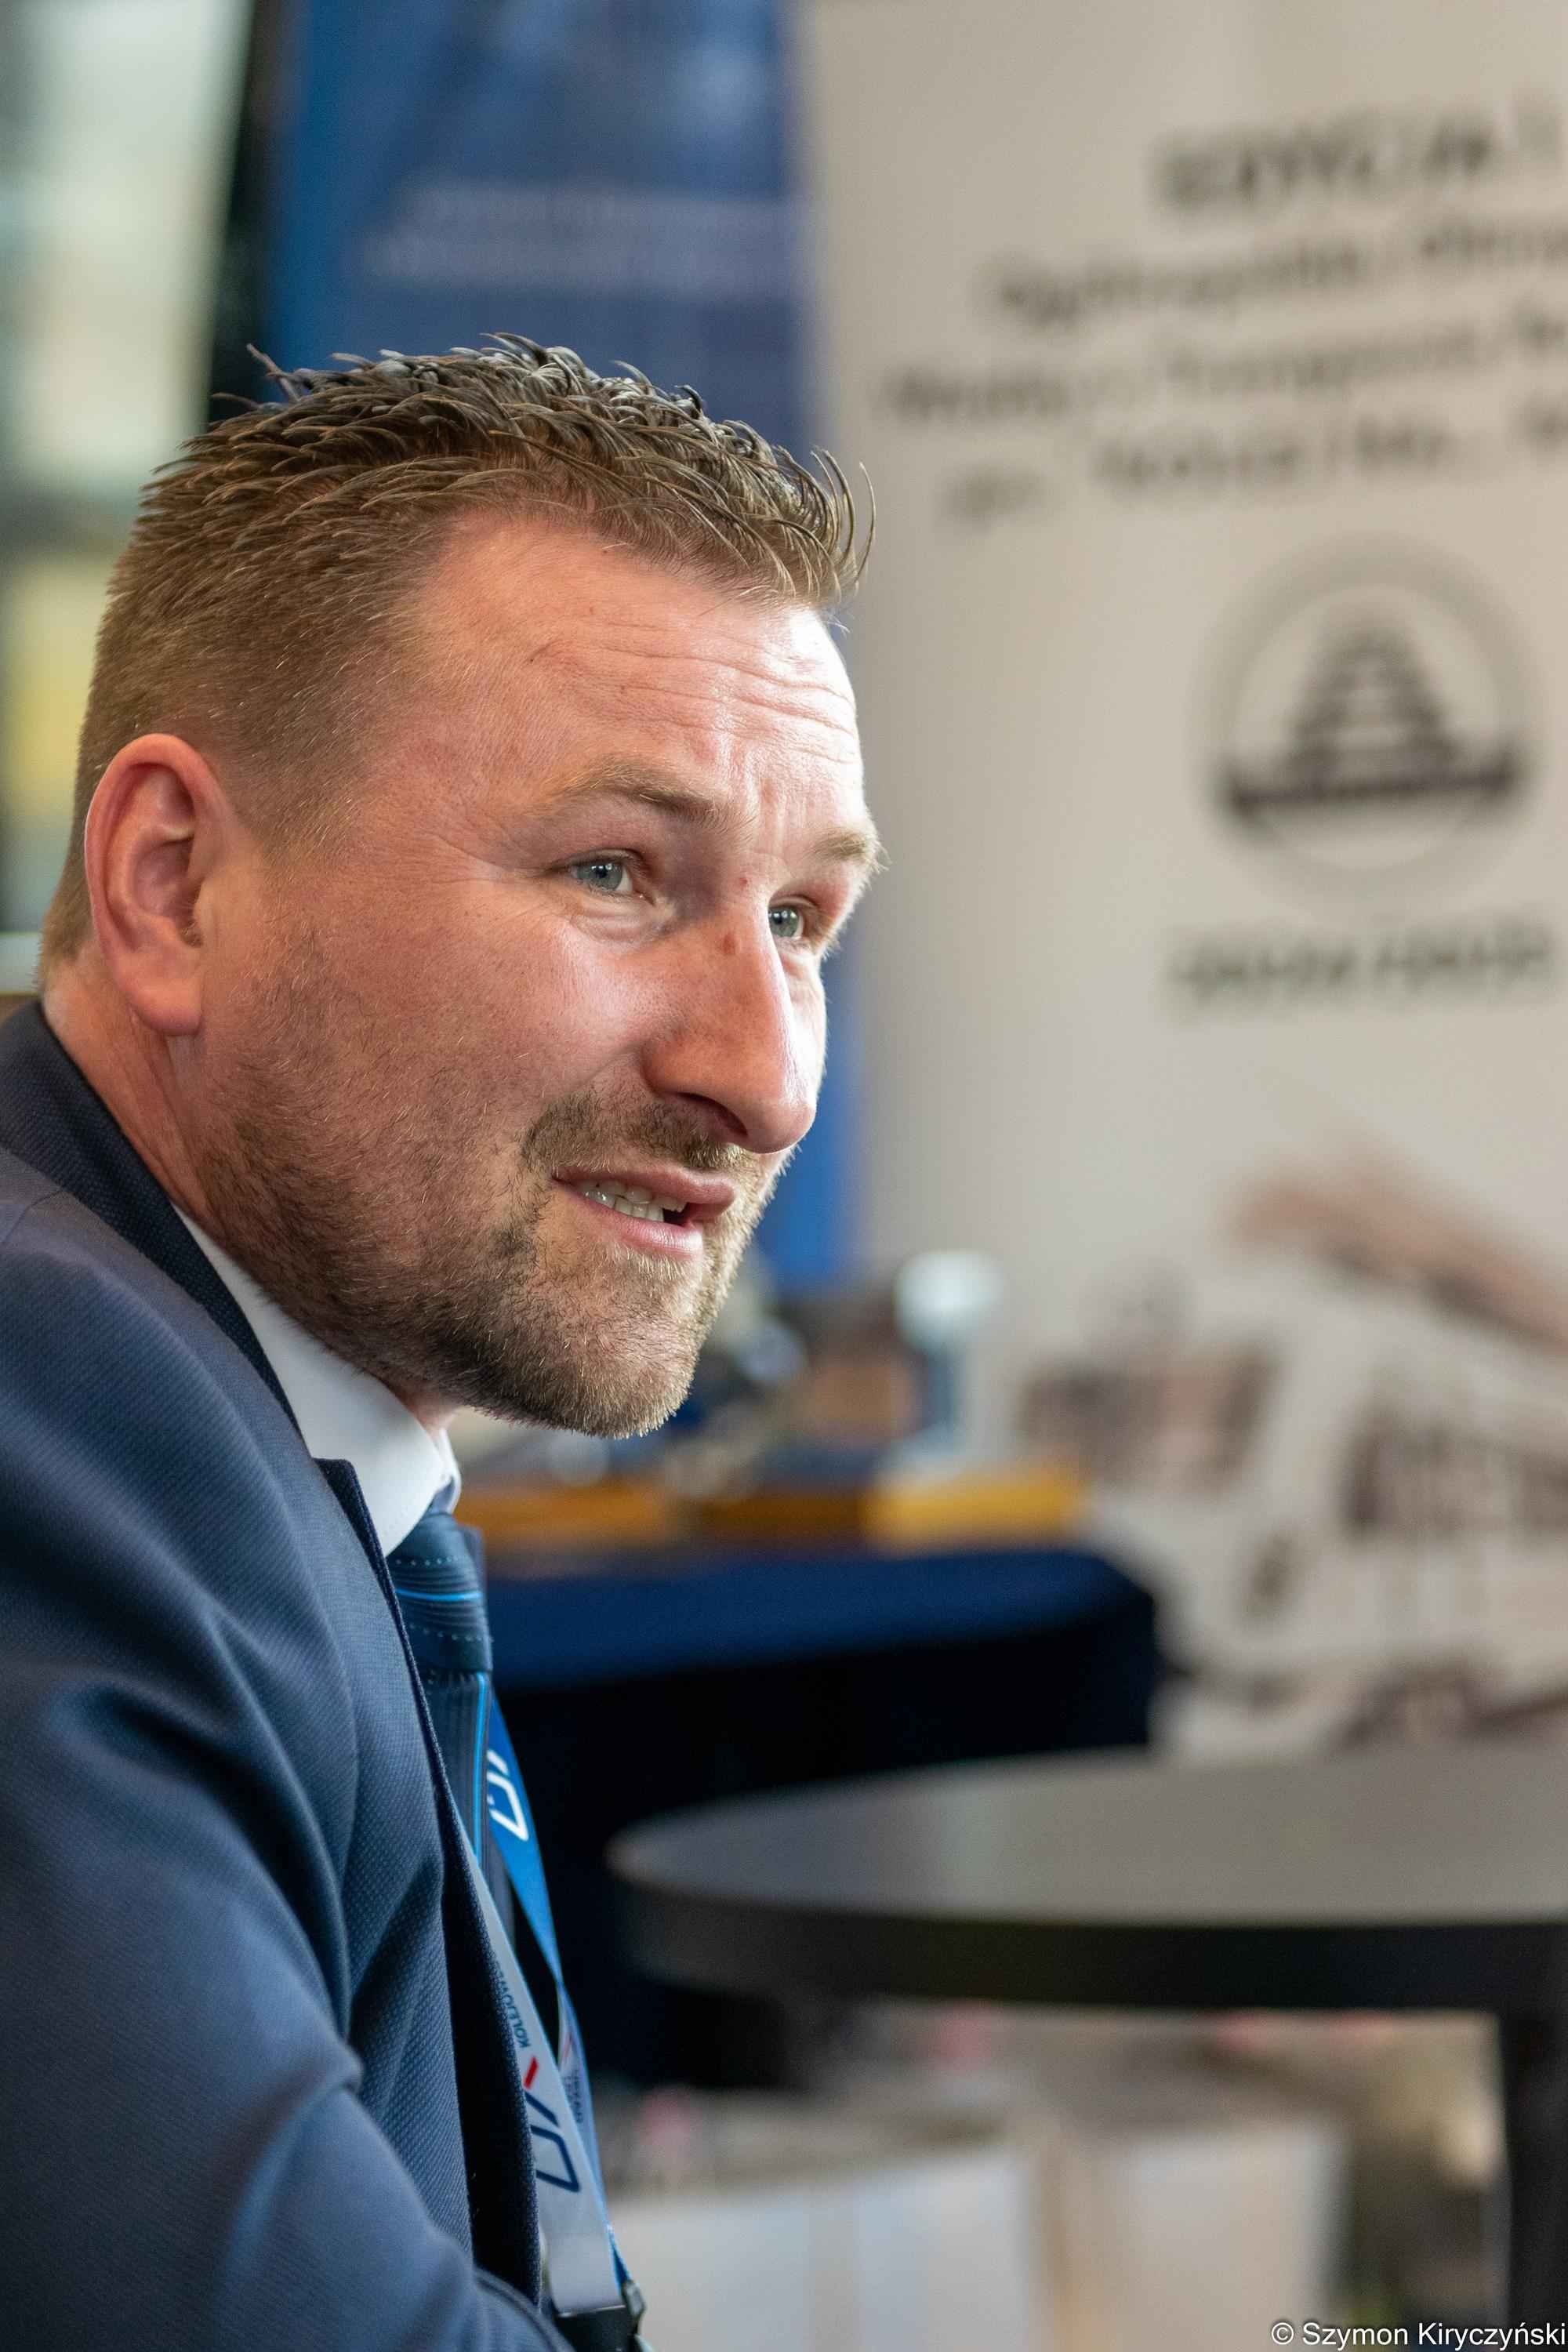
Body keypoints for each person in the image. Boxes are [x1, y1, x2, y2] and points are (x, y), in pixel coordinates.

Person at [0, 337, 880, 2350]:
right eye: (614, 874)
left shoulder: (231, 1390)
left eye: (800, 922)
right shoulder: (49, 1402)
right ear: (172, 885)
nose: (763, 1080)